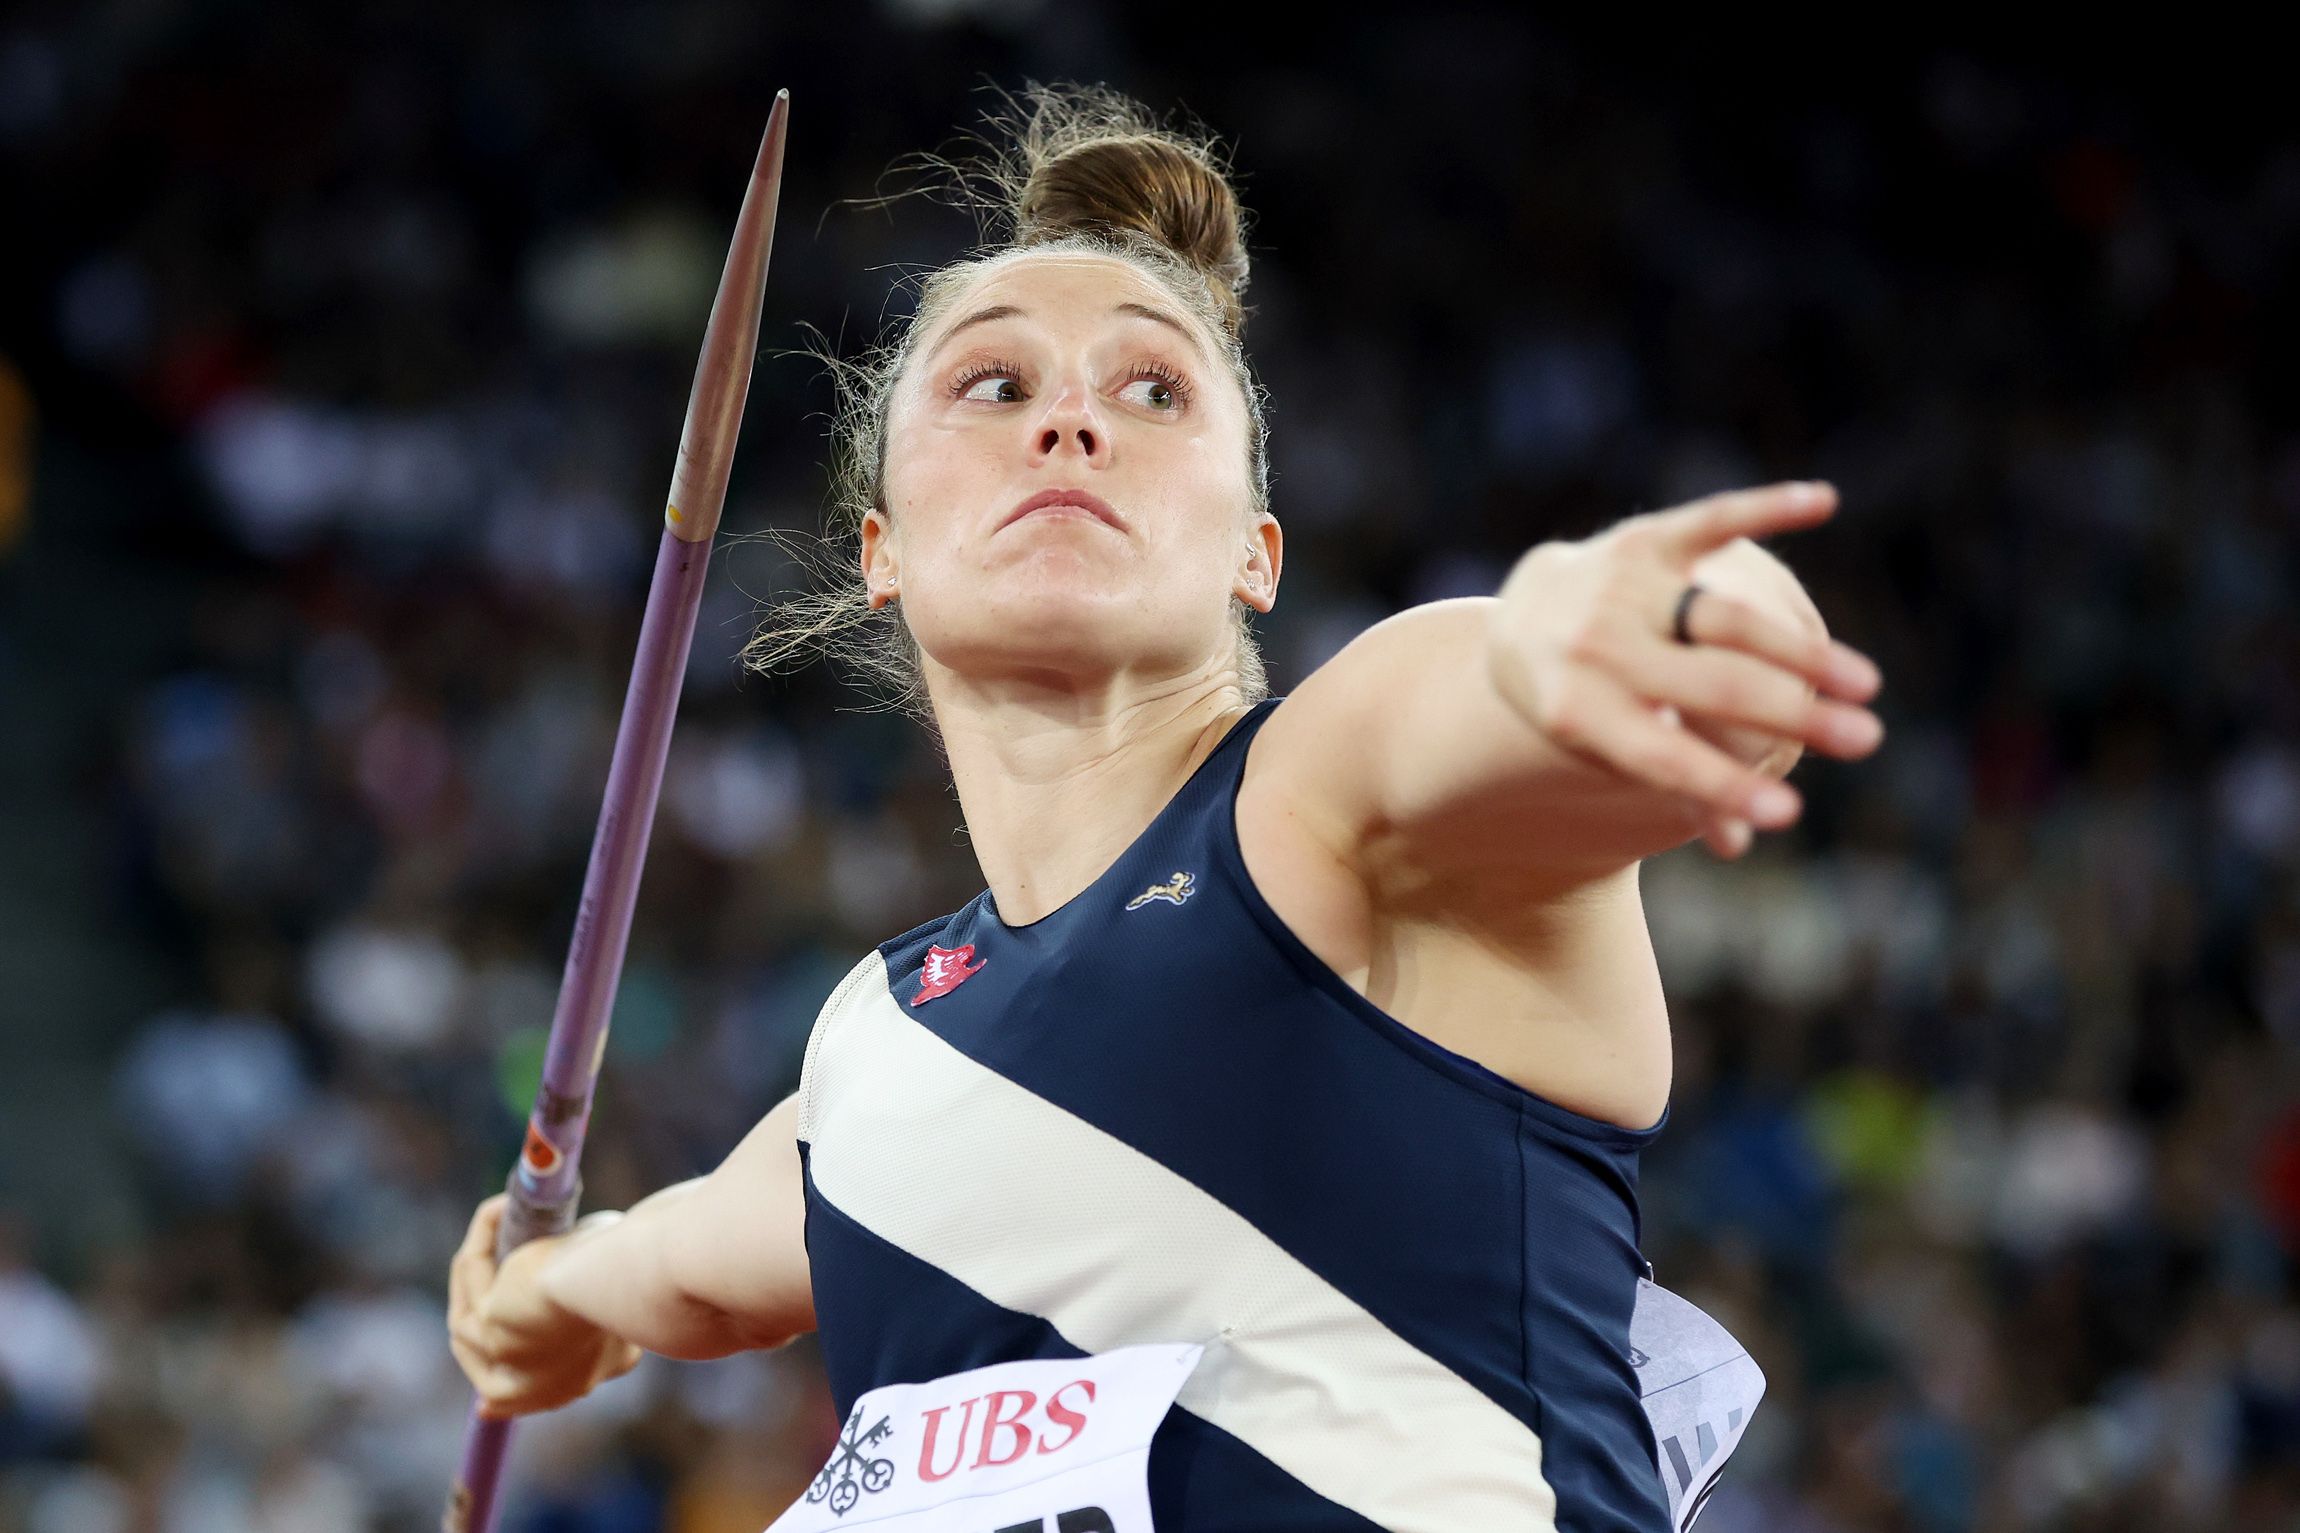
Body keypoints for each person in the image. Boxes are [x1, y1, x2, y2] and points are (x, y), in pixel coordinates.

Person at [447, 81, 1885, 1532]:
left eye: (1153, 390)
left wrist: (1657, 621)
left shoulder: (1337, 801)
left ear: (1256, 552)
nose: (1070, 421)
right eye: (994, 385)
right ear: (881, 548)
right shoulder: (875, 1053)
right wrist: (544, 1295)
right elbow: (680, 1266)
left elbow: (1542, 676)